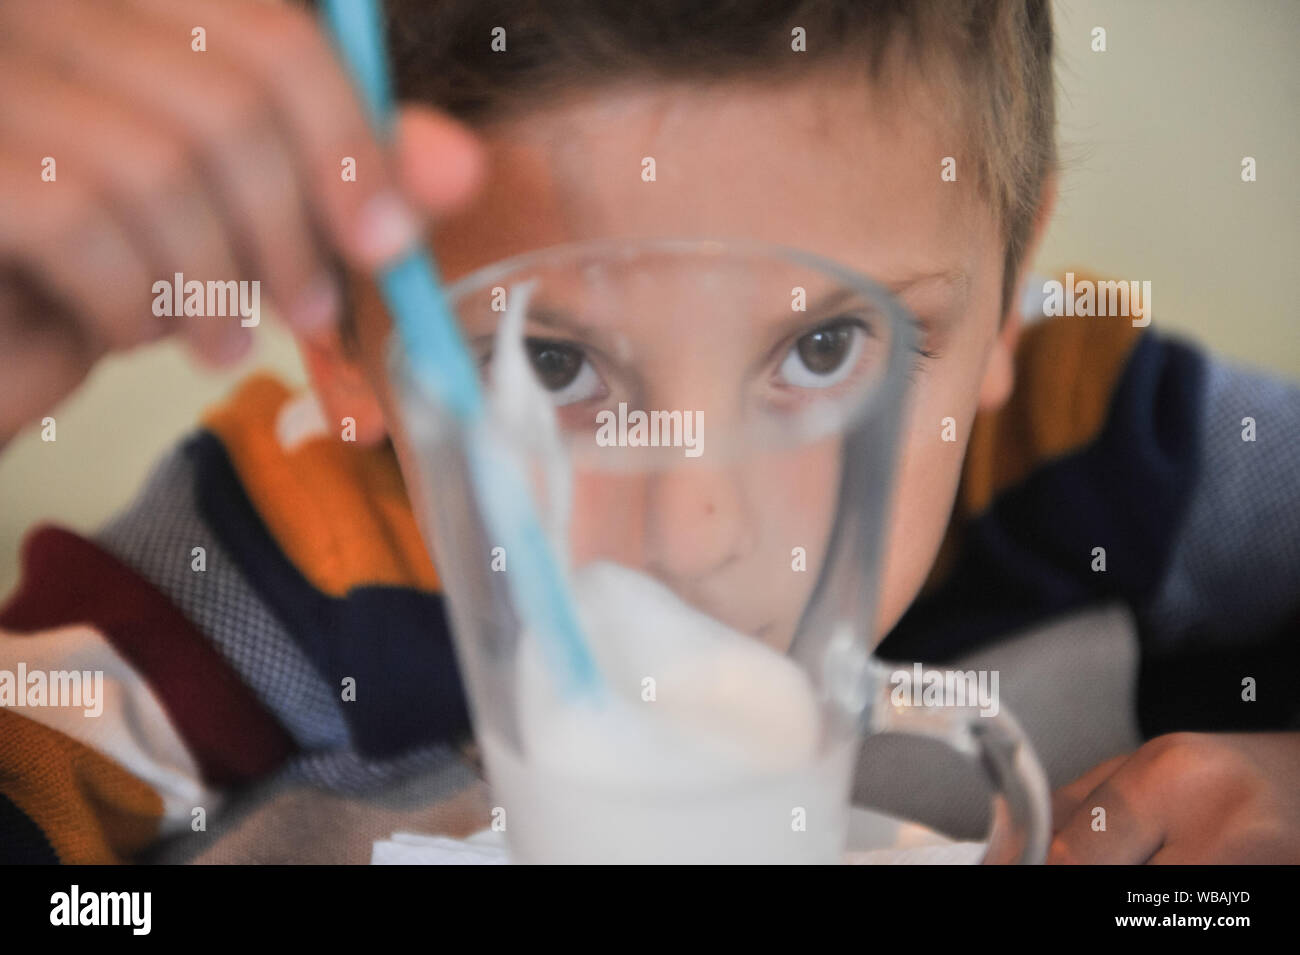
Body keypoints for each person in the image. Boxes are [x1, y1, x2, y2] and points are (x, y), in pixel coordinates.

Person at [1, 0, 1296, 864]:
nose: (696, 535)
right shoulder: (231, 591)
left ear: (1011, 299)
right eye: (553, 366)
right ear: (343, 340)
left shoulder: (1124, 450)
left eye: (825, 350)